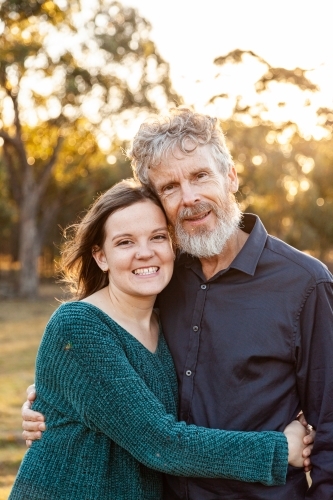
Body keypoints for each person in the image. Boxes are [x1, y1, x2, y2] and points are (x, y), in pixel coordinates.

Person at [22, 107, 331, 499]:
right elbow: (131, 403)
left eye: (200, 175)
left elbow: (330, 425)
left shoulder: (305, 283)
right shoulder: (162, 275)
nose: (189, 197)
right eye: (169, 187)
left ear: (231, 176)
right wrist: (53, 398)